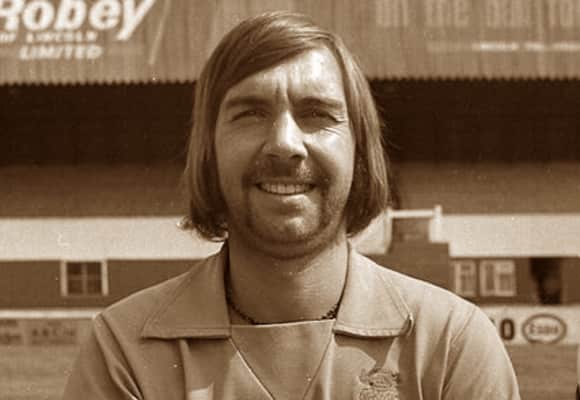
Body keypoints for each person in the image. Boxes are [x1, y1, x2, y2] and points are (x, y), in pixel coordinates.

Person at [63, 11, 520, 399]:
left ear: (359, 150)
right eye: (250, 113)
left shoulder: (451, 344)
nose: (284, 144)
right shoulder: (123, 350)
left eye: (317, 114)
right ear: (208, 150)